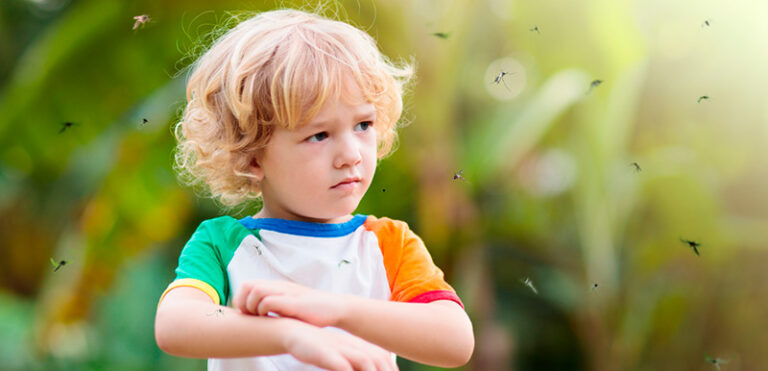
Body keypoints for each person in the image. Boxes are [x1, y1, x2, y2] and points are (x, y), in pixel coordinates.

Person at [154, 8, 474, 371]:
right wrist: (291, 334)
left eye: (363, 124)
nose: (351, 155)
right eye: (319, 135)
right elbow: (175, 324)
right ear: (251, 157)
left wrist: (337, 310)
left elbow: (455, 339)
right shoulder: (222, 245)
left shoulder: (388, 245)